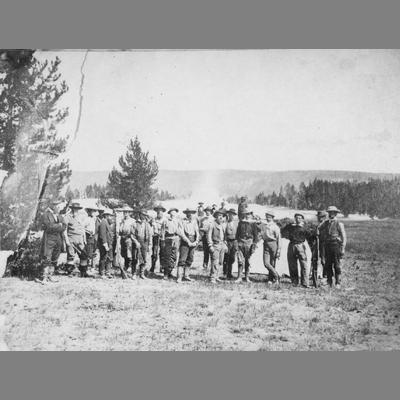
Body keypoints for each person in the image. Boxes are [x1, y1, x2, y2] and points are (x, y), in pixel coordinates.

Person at [318, 206, 347, 288]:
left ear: (336, 213)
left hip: (336, 245)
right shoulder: (325, 223)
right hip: (327, 246)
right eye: (330, 212)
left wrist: (343, 248)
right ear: (328, 213)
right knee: (328, 264)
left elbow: (344, 237)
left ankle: (338, 282)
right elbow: (318, 229)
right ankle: (329, 282)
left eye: (333, 212)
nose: (332, 214)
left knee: (337, 264)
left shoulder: (339, 224)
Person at [39, 197, 66, 282]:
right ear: (54, 206)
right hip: (49, 239)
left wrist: (58, 226)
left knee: (55, 257)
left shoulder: (60, 216)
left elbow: (64, 226)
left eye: (60, 206)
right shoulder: (46, 215)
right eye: (58, 206)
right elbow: (48, 227)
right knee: (47, 257)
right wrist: (59, 225)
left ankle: (51, 275)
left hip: (58, 239)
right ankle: (44, 277)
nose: (59, 208)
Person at [281, 213, 310, 288]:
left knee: (303, 264)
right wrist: (289, 226)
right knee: (292, 264)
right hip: (292, 245)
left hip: (300, 245)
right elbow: (283, 232)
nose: (298, 219)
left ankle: (305, 283)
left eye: (300, 218)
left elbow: (309, 235)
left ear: (302, 219)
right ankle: (294, 282)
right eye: (296, 218)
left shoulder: (305, 227)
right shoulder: (291, 226)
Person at [63, 202, 91, 278]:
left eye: (77, 209)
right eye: (75, 209)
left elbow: (82, 229)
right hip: (71, 238)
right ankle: (70, 272)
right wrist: (67, 241)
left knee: (84, 255)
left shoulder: (80, 217)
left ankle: (83, 272)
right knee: (71, 256)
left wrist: (84, 239)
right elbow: (64, 230)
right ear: (72, 209)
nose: (76, 210)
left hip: (80, 239)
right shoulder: (67, 217)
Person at [176, 208, 200, 283]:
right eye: (188, 213)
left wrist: (196, 241)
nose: (190, 214)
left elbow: (197, 232)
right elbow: (181, 233)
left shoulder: (195, 221)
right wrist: (188, 241)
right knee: (182, 259)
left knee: (190, 258)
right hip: (185, 241)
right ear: (186, 213)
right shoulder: (182, 221)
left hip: (193, 240)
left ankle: (186, 275)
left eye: (191, 213)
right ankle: (179, 277)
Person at [235, 209, 259, 283]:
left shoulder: (253, 224)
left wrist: (254, 244)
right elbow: (237, 234)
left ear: (251, 215)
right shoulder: (241, 223)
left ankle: (247, 277)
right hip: (241, 242)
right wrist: (237, 242)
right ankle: (239, 277)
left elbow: (256, 236)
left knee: (247, 261)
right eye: (246, 214)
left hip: (249, 243)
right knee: (240, 261)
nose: (248, 215)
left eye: (249, 214)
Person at [160, 208, 183, 280]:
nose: (173, 214)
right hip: (168, 238)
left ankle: (170, 271)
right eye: (172, 213)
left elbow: (181, 230)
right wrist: (163, 240)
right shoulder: (165, 221)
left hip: (176, 238)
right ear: (169, 213)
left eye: (175, 213)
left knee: (174, 256)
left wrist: (180, 238)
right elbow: (163, 231)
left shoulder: (178, 221)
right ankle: (166, 273)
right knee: (167, 256)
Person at [259, 211, 281, 284]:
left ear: (272, 218)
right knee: (266, 263)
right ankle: (277, 276)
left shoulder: (275, 227)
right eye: (267, 216)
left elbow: (279, 239)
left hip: (273, 244)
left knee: (272, 263)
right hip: (266, 244)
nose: (268, 218)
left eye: (269, 217)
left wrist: (279, 250)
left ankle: (271, 279)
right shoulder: (264, 225)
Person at [130, 210, 153, 279]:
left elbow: (150, 235)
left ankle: (141, 273)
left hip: (144, 242)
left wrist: (150, 244)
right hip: (136, 242)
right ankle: (133, 273)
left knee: (143, 258)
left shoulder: (147, 224)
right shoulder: (135, 223)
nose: (144, 216)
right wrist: (136, 242)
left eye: (145, 215)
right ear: (140, 215)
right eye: (142, 215)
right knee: (135, 258)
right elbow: (132, 235)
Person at [207, 209, 228, 283]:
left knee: (220, 262)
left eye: (222, 216)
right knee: (214, 261)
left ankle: (217, 276)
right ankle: (212, 277)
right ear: (216, 216)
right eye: (219, 216)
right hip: (215, 245)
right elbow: (209, 235)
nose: (221, 217)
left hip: (221, 244)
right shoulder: (212, 224)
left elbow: (224, 236)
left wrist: (225, 244)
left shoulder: (223, 225)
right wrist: (210, 245)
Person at [118, 206, 135, 276]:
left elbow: (133, 231)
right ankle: (126, 266)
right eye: (124, 212)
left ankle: (130, 266)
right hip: (123, 238)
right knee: (124, 253)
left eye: (127, 212)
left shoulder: (132, 221)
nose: (125, 213)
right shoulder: (122, 221)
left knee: (129, 253)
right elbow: (120, 230)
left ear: (130, 213)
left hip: (129, 238)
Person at [150, 204, 166, 275]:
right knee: (154, 253)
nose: (159, 213)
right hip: (155, 237)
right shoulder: (153, 219)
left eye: (161, 211)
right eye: (158, 211)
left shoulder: (165, 220)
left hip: (163, 238)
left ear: (163, 212)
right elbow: (150, 226)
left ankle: (162, 267)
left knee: (162, 252)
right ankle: (152, 267)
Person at [223, 208, 238, 279]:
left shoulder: (236, 223)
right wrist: (225, 241)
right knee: (226, 257)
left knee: (232, 258)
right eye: (230, 214)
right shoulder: (225, 223)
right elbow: (223, 233)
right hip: (227, 241)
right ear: (228, 215)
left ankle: (229, 272)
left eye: (232, 215)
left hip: (234, 242)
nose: (231, 216)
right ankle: (226, 273)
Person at [84, 206, 98, 272]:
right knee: (88, 252)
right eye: (92, 211)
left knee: (92, 251)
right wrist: (88, 231)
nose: (93, 212)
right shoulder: (87, 219)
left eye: (94, 211)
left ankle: (92, 267)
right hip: (88, 237)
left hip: (93, 237)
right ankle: (87, 268)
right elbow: (82, 227)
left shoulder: (93, 219)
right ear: (89, 212)